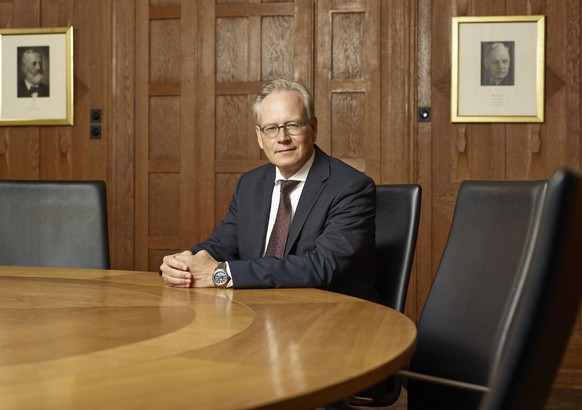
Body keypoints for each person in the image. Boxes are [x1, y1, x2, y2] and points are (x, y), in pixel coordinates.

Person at [160, 78, 378, 302]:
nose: (282, 138)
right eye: (271, 129)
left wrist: (222, 275)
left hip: (330, 317)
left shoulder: (351, 188)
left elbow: (320, 266)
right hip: (258, 312)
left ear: (313, 128)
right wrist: (182, 264)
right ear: (260, 136)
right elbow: (222, 244)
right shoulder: (250, 184)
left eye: (292, 125)